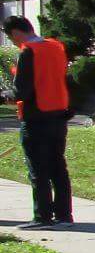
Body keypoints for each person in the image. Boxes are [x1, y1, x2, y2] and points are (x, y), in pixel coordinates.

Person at [6, 15, 72, 229]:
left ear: (15, 33)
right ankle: (64, 215)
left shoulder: (28, 52)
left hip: (36, 116)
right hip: (58, 113)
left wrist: (7, 93)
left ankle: (42, 216)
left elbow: (22, 90)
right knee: (57, 166)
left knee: (38, 169)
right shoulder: (55, 47)